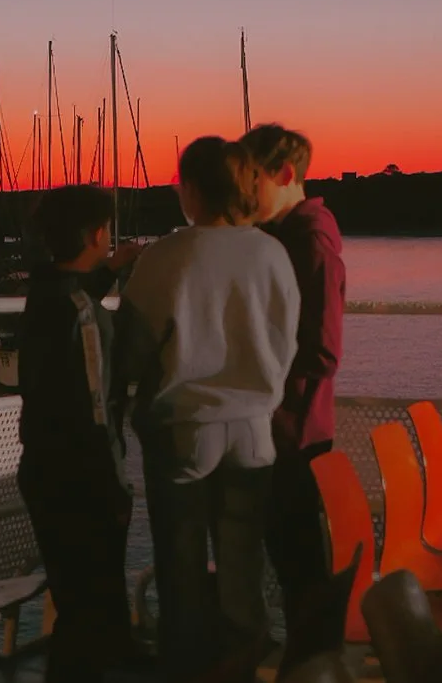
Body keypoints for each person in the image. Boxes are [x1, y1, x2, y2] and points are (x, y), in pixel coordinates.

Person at [115, 137, 300, 683]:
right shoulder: (271, 253)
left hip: (185, 428)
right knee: (242, 568)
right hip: (254, 428)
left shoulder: (169, 256)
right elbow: (287, 340)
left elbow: (130, 350)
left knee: (183, 568)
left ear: (192, 188)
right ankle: (241, 666)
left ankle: (189, 670)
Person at [16, 184, 144, 683]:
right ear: (96, 234)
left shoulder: (45, 293)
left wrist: (109, 269)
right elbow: (91, 408)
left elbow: (75, 296)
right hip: (83, 478)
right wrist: (111, 484)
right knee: (89, 608)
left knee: (77, 597)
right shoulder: (80, 315)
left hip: (45, 470)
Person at [241, 126, 346, 675]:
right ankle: (312, 664)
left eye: (251, 179)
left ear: (284, 176)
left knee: (300, 563)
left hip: (292, 430)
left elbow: (323, 349)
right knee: (295, 561)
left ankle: (313, 666)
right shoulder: (292, 235)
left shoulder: (308, 239)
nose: (243, 192)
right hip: (291, 425)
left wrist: (261, 379)